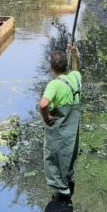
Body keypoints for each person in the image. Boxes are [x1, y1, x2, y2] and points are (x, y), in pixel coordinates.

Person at [39, 45, 82, 200]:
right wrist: (75, 55)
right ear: (66, 66)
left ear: (51, 67)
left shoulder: (54, 85)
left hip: (59, 128)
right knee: (69, 152)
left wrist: (46, 118)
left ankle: (61, 190)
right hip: (72, 128)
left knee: (54, 156)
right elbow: (77, 69)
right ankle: (69, 179)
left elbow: (43, 104)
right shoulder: (76, 78)